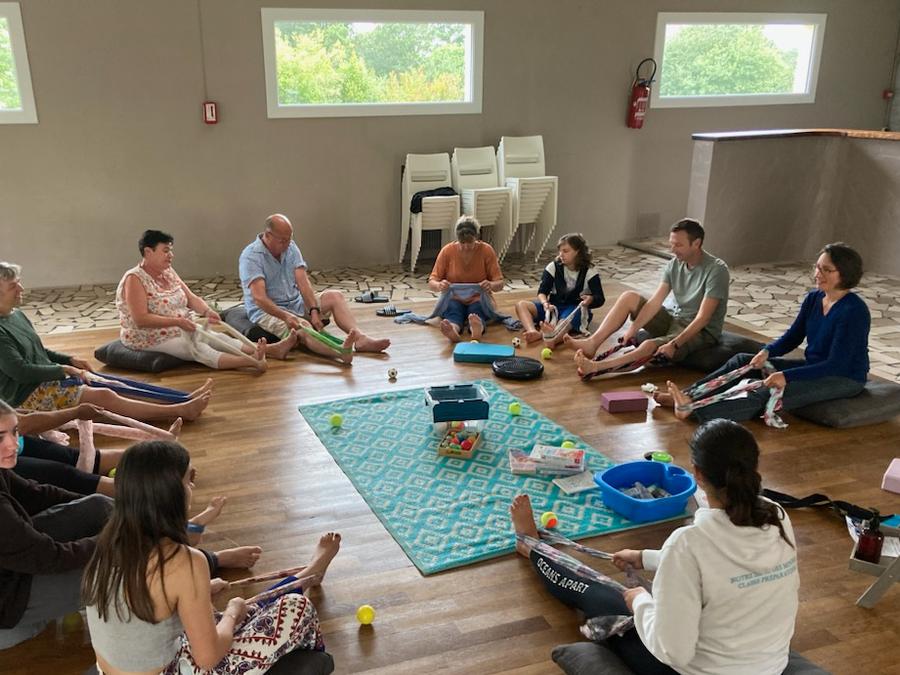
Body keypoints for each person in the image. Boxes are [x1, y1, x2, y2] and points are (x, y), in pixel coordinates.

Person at [511, 419, 799, 674]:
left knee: (597, 591)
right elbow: (715, 565)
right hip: (768, 667)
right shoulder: (777, 516)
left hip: (684, 668)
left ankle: (531, 546)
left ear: (697, 474)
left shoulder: (687, 544)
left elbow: (673, 652)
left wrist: (640, 602)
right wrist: (645, 557)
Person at [83, 440, 341, 674]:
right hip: (174, 669)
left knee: (242, 612)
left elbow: (142, 608)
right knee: (297, 608)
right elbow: (207, 658)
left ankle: (307, 575)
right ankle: (309, 595)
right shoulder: (184, 562)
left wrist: (203, 594)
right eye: (188, 480)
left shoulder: (110, 541)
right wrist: (232, 613)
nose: (192, 487)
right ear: (170, 494)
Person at [658, 242, 869, 424]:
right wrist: (767, 352)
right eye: (817, 267)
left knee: (766, 392)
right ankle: (687, 396)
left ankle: (693, 412)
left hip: (843, 377)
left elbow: (836, 364)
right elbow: (793, 337)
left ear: (845, 274)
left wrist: (786, 376)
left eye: (826, 270)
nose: (817, 274)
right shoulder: (814, 298)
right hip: (815, 366)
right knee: (743, 360)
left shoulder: (854, 311)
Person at [0, 262, 211, 422]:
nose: (21, 289)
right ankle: (178, 410)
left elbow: (37, 351)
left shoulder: (16, 315)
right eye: (13, 286)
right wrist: (64, 369)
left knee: (110, 382)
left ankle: (181, 398)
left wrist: (69, 359)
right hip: (24, 396)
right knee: (104, 395)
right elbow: (20, 371)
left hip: (44, 379)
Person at [0, 400, 114, 650]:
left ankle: (175, 548)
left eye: (15, 431)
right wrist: (112, 541)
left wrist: (124, 514)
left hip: (18, 562)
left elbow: (37, 494)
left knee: (99, 506)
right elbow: (50, 557)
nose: (13, 444)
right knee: (115, 571)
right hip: (8, 598)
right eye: (0, 437)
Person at [565, 219, 729, 377]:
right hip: (675, 319)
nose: (672, 249)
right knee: (629, 297)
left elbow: (703, 318)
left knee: (648, 345)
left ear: (697, 243)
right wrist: (633, 330)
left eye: (678, 245)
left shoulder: (716, 270)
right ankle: (592, 343)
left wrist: (674, 344)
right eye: (671, 244)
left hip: (700, 332)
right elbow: (655, 302)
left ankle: (596, 367)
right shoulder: (674, 264)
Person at [118, 230, 297, 373]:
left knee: (219, 338)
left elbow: (191, 298)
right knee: (196, 348)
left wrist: (207, 311)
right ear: (148, 252)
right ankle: (251, 362)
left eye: (170, 250)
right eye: (165, 251)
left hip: (180, 326)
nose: (171, 255)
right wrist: (177, 322)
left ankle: (272, 350)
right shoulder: (134, 279)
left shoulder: (167, 272)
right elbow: (141, 319)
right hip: (149, 336)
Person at [239, 214, 390, 362]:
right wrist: (286, 316)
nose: (287, 244)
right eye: (282, 241)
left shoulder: (291, 247)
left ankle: (360, 339)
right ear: (268, 235)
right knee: (303, 325)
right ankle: (340, 353)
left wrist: (314, 311)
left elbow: (303, 282)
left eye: (289, 239)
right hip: (267, 311)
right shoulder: (251, 256)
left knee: (335, 296)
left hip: (295, 303)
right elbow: (259, 298)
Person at [515, 233, 605, 345]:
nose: (561, 254)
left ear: (577, 251)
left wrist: (590, 299)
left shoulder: (590, 271)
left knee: (565, 321)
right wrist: (545, 303)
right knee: (521, 305)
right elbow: (542, 291)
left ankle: (550, 336)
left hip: (574, 309)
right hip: (554, 307)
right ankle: (532, 331)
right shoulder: (553, 266)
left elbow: (600, 298)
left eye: (565, 251)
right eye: (560, 251)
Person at [428, 216, 505, 343]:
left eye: (470, 243)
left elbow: (500, 283)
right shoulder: (447, 251)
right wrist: (439, 285)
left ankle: (476, 329)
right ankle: (453, 330)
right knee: (453, 311)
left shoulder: (486, 250)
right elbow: (432, 281)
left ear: (476, 237)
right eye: (462, 243)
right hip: (453, 297)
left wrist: (490, 285)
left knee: (476, 312)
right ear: (457, 239)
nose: (466, 247)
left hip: (478, 298)